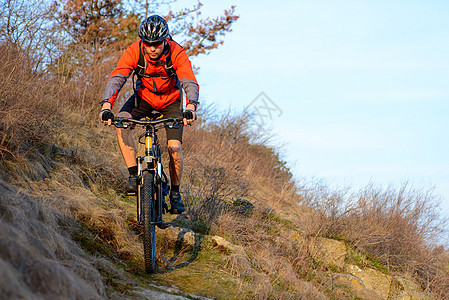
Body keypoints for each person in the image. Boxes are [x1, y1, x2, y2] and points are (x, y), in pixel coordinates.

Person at [99, 15, 199, 214]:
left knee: (174, 148)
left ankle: (175, 193)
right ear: (142, 42)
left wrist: (191, 107)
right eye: (148, 44)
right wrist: (106, 105)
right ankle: (133, 175)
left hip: (171, 101)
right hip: (142, 99)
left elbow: (189, 80)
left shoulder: (176, 52)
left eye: (157, 44)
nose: (152, 48)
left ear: (165, 40)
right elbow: (118, 77)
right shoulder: (134, 50)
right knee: (122, 124)